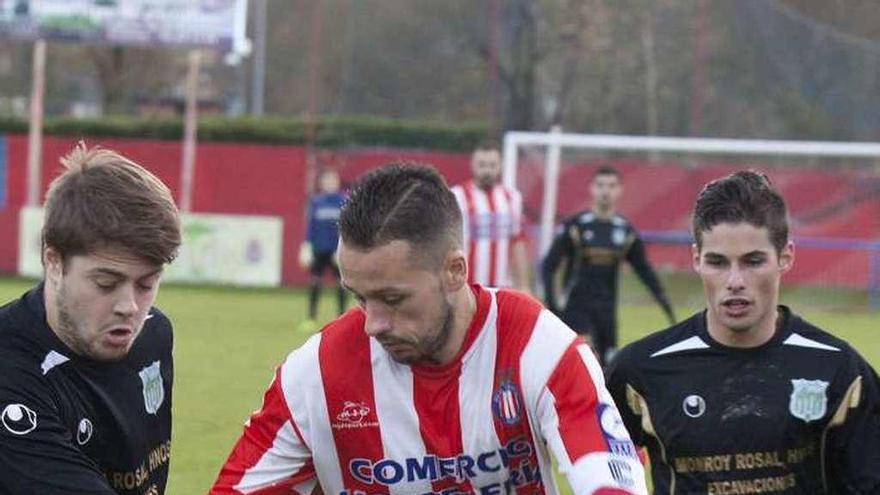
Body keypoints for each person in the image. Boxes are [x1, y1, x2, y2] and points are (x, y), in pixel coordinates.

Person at [211, 163, 647, 495]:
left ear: (454, 271)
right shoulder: (316, 374)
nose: (372, 324)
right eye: (360, 297)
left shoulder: (538, 345)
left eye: (393, 299)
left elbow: (609, 479)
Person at [606, 170, 880, 494]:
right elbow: (597, 470)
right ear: (696, 259)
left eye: (753, 261)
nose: (735, 280)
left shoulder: (840, 371)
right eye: (718, 262)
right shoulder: (639, 371)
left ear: (785, 257)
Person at [0, 143, 181, 494]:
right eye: (106, 283)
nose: (129, 306)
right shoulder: (9, 371)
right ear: (54, 262)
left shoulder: (154, 334)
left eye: (147, 283)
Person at [542, 166, 674, 366]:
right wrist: (553, 307)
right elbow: (548, 266)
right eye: (600, 185)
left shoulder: (624, 230)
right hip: (576, 309)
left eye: (611, 186)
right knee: (581, 364)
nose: (605, 191)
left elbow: (643, 270)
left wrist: (665, 304)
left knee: (607, 369)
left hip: (607, 312)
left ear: (619, 190)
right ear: (591, 189)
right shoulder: (576, 226)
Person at [450, 140, 530, 292]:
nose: (487, 170)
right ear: (472, 165)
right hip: (466, 285)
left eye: (492, 165)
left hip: (502, 286)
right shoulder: (457, 196)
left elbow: (518, 242)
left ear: (500, 166)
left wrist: (524, 285)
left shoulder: (512, 198)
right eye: (482, 165)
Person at [299, 169, 347, 329]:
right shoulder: (316, 202)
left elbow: (347, 227)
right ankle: (311, 318)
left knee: (341, 284)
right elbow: (311, 226)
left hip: (336, 251)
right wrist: (306, 245)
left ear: (337, 182)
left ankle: (341, 318)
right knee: (315, 282)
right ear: (321, 183)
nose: (329, 184)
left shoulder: (344, 201)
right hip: (319, 249)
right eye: (326, 181)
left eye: (332, 180)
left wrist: (343, 247)